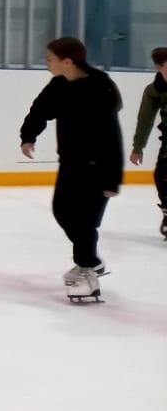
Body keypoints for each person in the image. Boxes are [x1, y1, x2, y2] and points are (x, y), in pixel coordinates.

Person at [18, 36, 123, 303]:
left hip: (97, 166)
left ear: (68, 61)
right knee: (62, 211)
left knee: (84, 221)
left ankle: (87, 271)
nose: (47, 64)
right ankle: (91, 260)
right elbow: (40, 110)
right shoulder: (59, 85)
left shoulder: (99, 87)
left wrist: (112, 178)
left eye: (50, 59)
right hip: (70, 163)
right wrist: (28, 135)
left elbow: (111, 135)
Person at [126, 46, 167, 241]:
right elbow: (145, 119)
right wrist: (138, 148)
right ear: (159, 67)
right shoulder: (154, 90)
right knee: (162, 176)